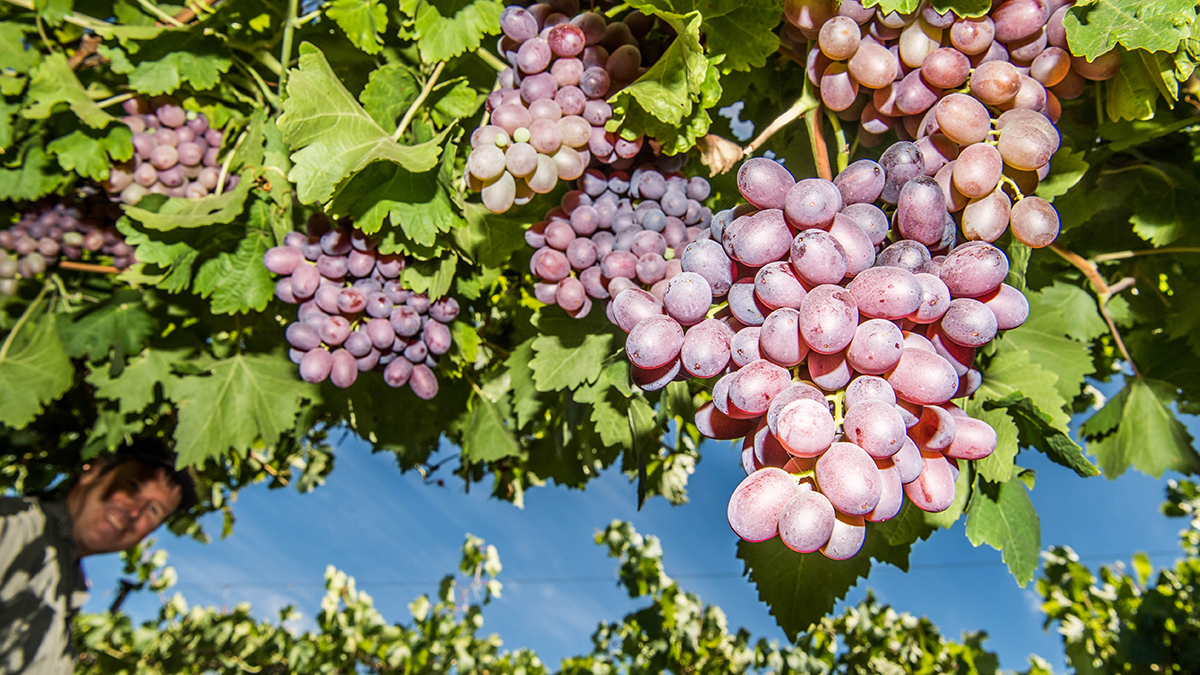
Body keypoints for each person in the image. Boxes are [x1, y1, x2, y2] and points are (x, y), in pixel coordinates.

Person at [0, 439, 197, 674]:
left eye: (154, 510)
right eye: (133, 486)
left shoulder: (69, 587)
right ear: (93, 471)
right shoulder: (13, 527)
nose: (135, 512)